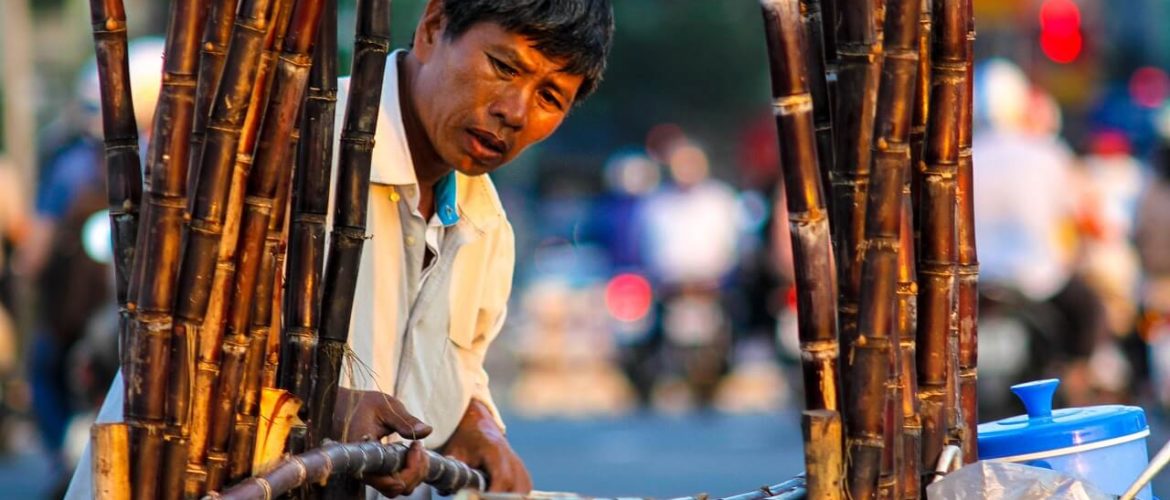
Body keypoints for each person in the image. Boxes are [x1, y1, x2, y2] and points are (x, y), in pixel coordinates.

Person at [67, 1, 614, 497]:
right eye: (505, 66)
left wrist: (478, 424)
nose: (516, 112)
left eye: (550, 97)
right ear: (432, 27)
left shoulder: (487, 227)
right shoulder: (276, 147)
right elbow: (180, 348)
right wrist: (323, 407)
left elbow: (460, 369)